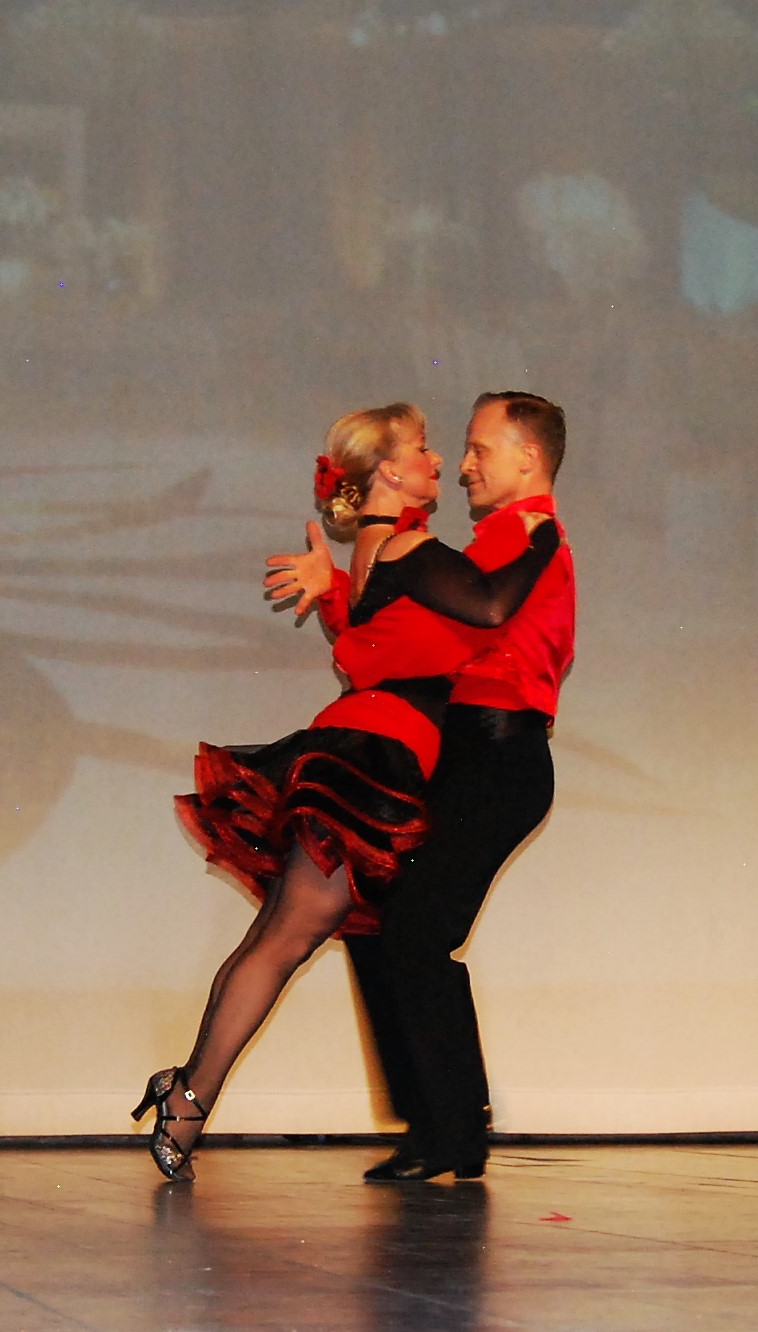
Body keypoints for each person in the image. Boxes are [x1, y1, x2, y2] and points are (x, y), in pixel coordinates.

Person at [135, 401, 560, 1182]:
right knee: (297, 937)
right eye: (426, 448)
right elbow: (490, 606)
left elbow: (375, 639)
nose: (443, 461)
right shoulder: (411, 545)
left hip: (371, 747)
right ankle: (190, 1093)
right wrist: (542, 537)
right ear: (389, 470)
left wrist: (332, 590)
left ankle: (193, 1091)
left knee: (304, 934)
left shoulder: (378, 545)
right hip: (377, 755)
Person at [268, 391, 575, 1182]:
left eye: (478, 448)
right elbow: (393, 650)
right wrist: (339, 596)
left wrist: (350, 601)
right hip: (464, 760)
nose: (463, 465)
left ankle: (450, 1132)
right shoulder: (493, 542)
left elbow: (467, 619)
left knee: (412, 932)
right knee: (384, 927)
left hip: (498, 761)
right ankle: (440, 1126)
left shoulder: (522, 537)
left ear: (527, 458)